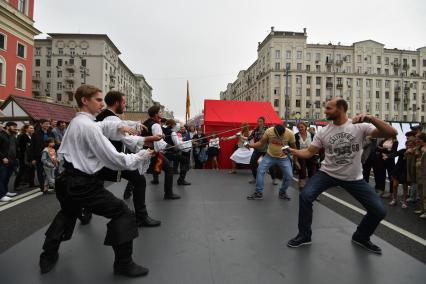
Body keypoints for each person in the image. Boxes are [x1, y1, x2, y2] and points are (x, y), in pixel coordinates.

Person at [39, 84, 153, 277]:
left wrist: (122, 125)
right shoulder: (87, 127)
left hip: (68, 181)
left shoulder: (78, 122)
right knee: (123, 213)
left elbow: (101, 125)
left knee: (67, 213)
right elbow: (114, 159)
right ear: (85, 100)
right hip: (83, 184)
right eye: (98, 100)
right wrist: (141, 156)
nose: (102, 103)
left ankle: (48, 255)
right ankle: (124, 264)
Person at [287, 98, 396, 254]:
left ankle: (361, 236)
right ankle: (304, 236)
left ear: (341, 109)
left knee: (379, 211)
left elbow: (391, 132)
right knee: (305, 196)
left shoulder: (359, 127)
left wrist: (370, 118)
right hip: (327, 173)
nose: (325, 111)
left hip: (354, 178)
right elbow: (310, 152)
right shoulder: (324, 131)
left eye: (329, 108)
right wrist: (293, 152)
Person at [97, 91, 162, 227]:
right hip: (110, 159)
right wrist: (148, 139)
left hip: (103, 159)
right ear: (117, 103)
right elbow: (126, 138)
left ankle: (82, 212)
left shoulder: (106, 116)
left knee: (92, 189)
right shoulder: (111, 119)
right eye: (124, 103)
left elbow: (121, 124)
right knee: (139, 180)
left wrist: (135, 126)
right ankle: (141, 217)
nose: (125, 105)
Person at [247, 124, 295, 200]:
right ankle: (258, 192)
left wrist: (291, 154)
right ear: (275, 132)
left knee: (289, 175)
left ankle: (282, 192)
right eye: (277, 134)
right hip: (270, 156)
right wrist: (250, 146)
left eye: (281, 135)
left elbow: (293, 147)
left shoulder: (290, 133)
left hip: (283, 158)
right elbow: (260, 143)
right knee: (260, 171)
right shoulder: (269, 131)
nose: (279, 136)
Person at [143, 106, 180, 199]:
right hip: (152, 152)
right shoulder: (155, 125)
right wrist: (172, 148)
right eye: (160, 112)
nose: (161, 114)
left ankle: (128, 191)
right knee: (169, 169)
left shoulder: (146, 123)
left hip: (144, 151)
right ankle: (168, 193)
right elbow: (159, 143)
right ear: (155, 114)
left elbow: (153, 137)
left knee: (138, 171)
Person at [247, 117, 276, 184]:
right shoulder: (255, 129)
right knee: (252, 163)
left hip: (266, 149)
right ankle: (255, 178)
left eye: (260, 121)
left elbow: (272, 136)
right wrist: (242, 137)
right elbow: (250, 137)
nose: (259, 123)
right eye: (258, 121)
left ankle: (274, 178)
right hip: (257, 149)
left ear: (263, 122)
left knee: (270, 164)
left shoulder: (267, 129)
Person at [30, 119, 54, 191]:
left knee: (50, 171)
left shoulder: (51, 133)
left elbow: (53, 145)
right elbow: (32, 147)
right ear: (41, 124)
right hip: (39, 156)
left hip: (50, 156)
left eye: (48, 124)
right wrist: (33, 158)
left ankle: (50, 185)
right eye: (46, 124)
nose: (47, 125)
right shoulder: (35, 134)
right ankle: (43, 187)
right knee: (40, 172)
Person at [388, 140, 413, 208]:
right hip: (398, 170)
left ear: (413, 146)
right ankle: (394, 199)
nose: (408, 147)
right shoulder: (402, 150)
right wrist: (388, 156)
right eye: (407, 145)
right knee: (395, 185)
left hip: (406, 172)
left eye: (410, 145)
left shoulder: (414, 153)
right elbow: (395, 153)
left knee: (405, 187)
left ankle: (404, 202)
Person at [0, 122, 19, 202]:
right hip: (2, 161)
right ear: (7, 127)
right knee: (1, 178)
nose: (15, 128)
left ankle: (5, 192)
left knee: (6, 178)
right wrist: (3, 157)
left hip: (12, 160)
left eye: (16, 126)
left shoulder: (11, 136)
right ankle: (1, 196)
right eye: (13, 126)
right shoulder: (1, 135)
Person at [294, 121, 317, 189]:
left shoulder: (312, 135)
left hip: (311, 155)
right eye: (299, 127)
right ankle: (301, 186)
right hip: (301, 155)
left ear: (305, 127)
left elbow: (316, 145)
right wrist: (295, 161)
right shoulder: (296, 136)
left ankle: (311, 188)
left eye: (302, 127)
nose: (300, 128)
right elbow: (295, 148)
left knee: (312, 172)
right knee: (302, 171)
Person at [14, 124, 35, 190]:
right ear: (26, 129)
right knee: (22, 170)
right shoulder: (23, 136)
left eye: (33, 128)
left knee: (32, 169)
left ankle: (31, 183)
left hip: (30, 156)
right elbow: (22, 147)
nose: (32, 129)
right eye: (31, 128)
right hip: (24, 156)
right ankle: (16, 185)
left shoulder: (31, 136)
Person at [413, 132, 426, 218]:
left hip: (425, 173)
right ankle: (422, 209)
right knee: (421, 192)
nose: (415, 140)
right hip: (419, 173)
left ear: (421, 139)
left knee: (425, 193)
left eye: (417, 138)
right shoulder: (419, 148)